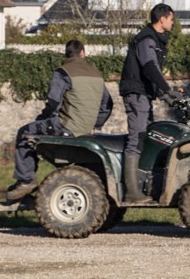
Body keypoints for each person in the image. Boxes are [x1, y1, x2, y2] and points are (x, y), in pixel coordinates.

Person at [7, 38, 113, 200]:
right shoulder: (96, 74)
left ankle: (26, 180)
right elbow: (107, 104)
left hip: (66, 126)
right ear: (83, 53)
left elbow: (54, 102)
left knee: (25, 133)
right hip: (88, 129)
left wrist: (42, 119)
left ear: (67, 54)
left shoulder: (63, 72)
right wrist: (95, 125)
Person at [119, 3, 179, 196]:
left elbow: (152, 77)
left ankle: (146, 184)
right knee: (137, 138)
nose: (172, 23)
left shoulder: (156, 41)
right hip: (136, 94)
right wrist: (168, 90)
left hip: (144, 94)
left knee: (148, 136)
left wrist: (169, 97)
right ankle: (131, 191)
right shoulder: (146, 39)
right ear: (162, 19)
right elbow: (150, 68)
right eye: (171, 19)